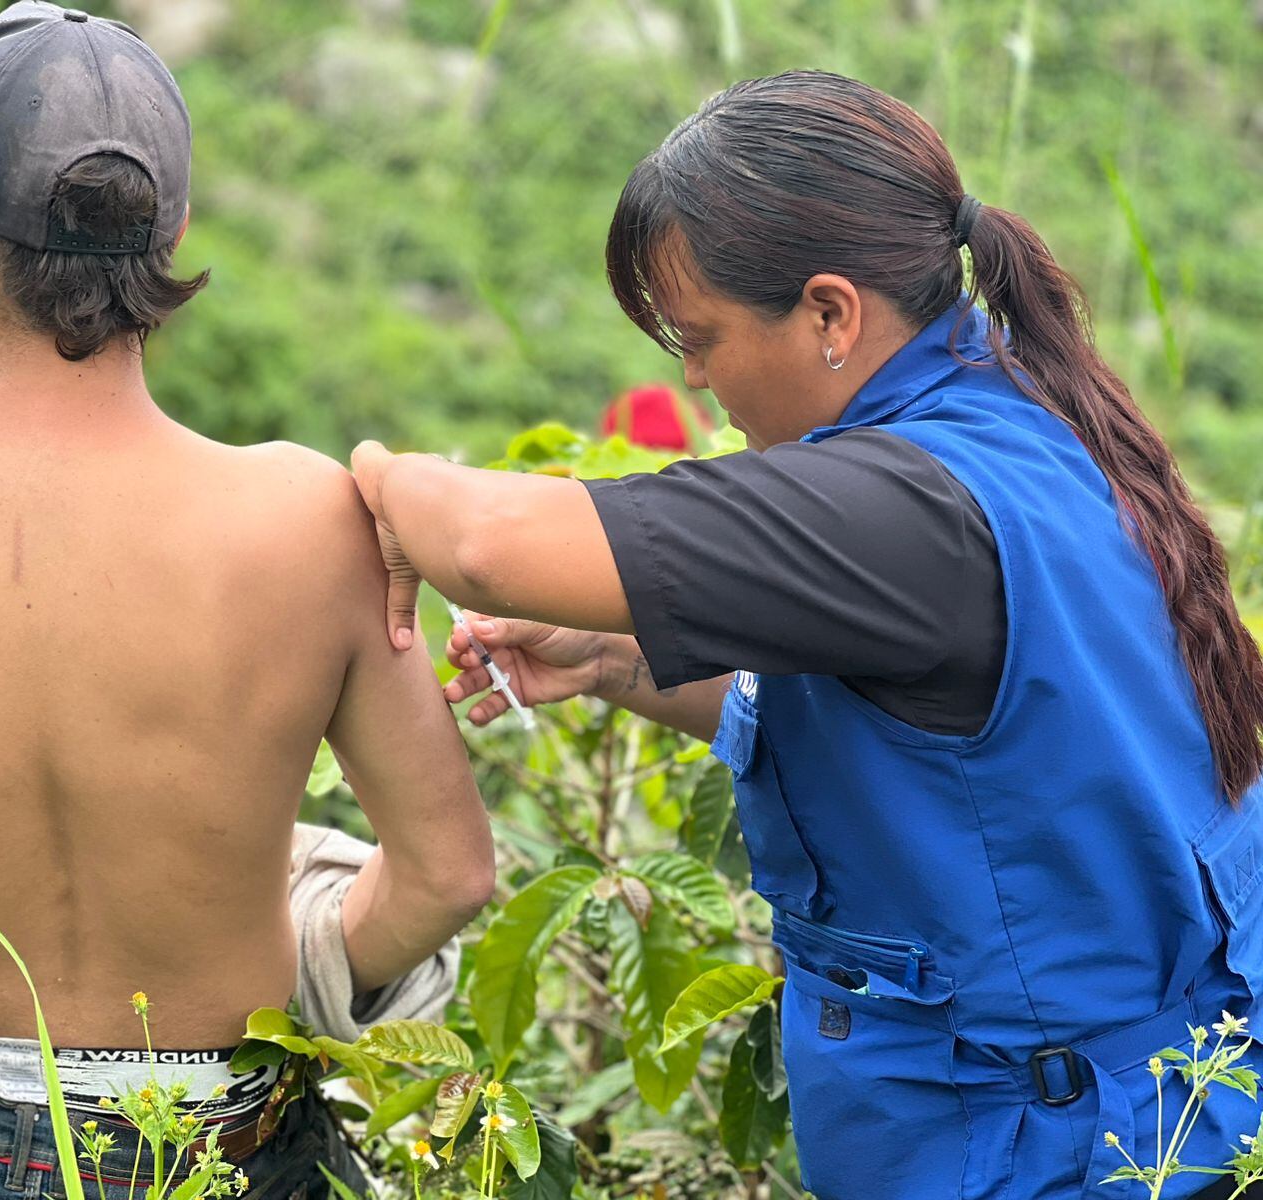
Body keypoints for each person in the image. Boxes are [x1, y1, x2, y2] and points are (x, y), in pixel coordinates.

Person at [350, 71, 1263, 1200]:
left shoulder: (902, 502)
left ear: (830, 313)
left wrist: (376, 478)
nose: (691, 375)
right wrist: (611, 661)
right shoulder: (1012, 407)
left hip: (1046, 1153)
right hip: (1149, 1110)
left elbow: (486, 542)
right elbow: (946, 737)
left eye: (701, 336)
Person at [0, 5, 495, 1197]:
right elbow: (449, 873)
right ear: (172, 231)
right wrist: (304, 948)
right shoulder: (309, 521)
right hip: (217, 1136)